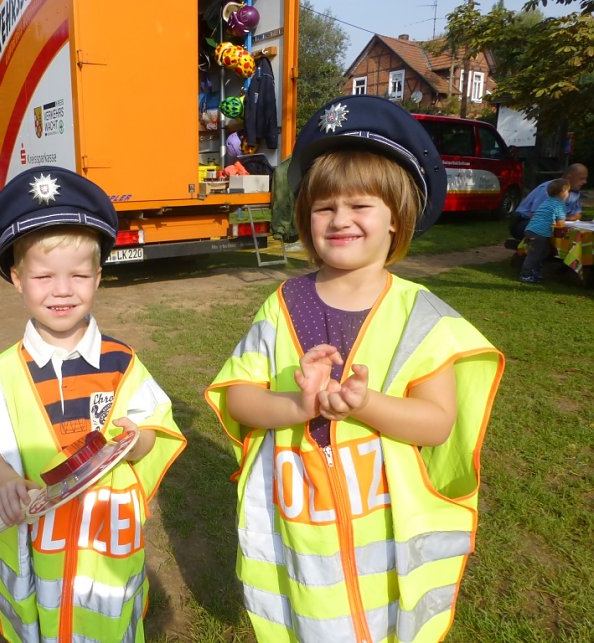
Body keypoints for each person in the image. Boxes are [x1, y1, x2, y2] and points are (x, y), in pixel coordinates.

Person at [204, 95, 505, 643]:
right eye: (324, 207)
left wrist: (367, 404)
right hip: (298, 533)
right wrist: (299, 406)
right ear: (305, 216)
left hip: (384, 543)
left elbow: (436, 423)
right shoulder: (282, 305)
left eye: (360, 205)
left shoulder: (422, 316)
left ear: (398, 218)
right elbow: (237, 398)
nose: (340, 219)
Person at [0, 166, 186, 642]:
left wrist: (133, 442)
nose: (63, 290)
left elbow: (151, 428)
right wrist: (5, 479)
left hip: (104, 549)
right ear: (16, 278)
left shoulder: (122, 363)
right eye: (44, 276)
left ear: (98, 276)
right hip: (41, 554)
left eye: (79, 275)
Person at [509, 163, 588, 239]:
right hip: (525, 222)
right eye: (582, 179)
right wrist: (565, 219)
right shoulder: (550, 188)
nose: (585, 182)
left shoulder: (574, 193)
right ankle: (535, 252)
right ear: (569, 177)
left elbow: (577, 215)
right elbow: (537, 216)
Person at [519, 178, 571, 283]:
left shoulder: (547, 201)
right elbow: (560, 224)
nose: (568, 194)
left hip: (531, 229)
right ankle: (525, 274)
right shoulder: (559, 205)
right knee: (535, 253)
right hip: (539, 233)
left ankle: (535, 269)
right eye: (568, 191)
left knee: (545, 251)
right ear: (562, 193)